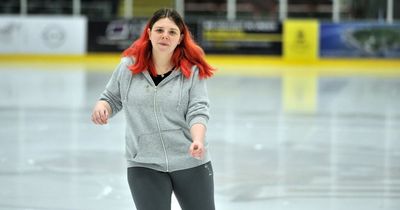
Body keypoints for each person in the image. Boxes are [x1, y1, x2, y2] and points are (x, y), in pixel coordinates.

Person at [91, 8, 216, 210]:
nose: (165, 35)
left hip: (190, 161)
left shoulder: (192, 71)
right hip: (143, 163)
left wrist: (198, 140)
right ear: (149, 33)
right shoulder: (128, 67)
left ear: (180, 38)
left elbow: (198, 110)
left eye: (172, 32)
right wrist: (102, 107)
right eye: (159, 30)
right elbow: (111, 98)